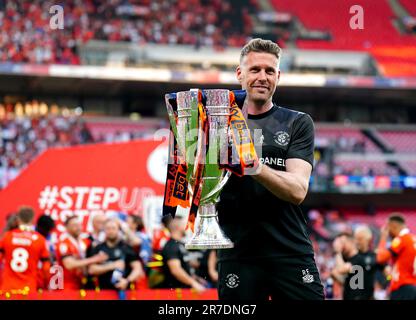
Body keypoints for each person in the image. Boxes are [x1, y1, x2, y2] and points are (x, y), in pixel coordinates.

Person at [216, 38, 324, 300]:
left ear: (278, 76)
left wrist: (253, 165)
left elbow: (298, 190)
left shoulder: (297, 122)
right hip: (238, 255)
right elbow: (199, 189)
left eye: (269, 71)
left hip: (289, 251)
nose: (262, 77)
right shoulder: (216, 124)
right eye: (255, 70)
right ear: (240, 74)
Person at [0, 206, 50, 293]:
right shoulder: (40, 239)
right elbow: (46, 268)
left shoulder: (7, 236)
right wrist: (43, 283)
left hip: (8, 288)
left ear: (18, 219)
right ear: (33, 220)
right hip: (29, 289)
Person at [88, 219, 144, 291]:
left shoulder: (126, 247)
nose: (111, 231)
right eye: (108, 228)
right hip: (103, 292)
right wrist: (112, 266)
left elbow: (137, 268)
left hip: (125, 291)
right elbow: (91, 269)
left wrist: (127, 281)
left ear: (118, 230)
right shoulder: (98, 248)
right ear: (104, 231)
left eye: (113, 228)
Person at [56, 216, 108, 290]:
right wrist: (94, 259)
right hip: (67, 284)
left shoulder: (85, 241)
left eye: (79, 225)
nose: (78, 227)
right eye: (74, 225)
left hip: (84, 284)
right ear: (66, 227)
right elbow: (69, 264)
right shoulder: (63, 243)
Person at [160, 217, 205, 293]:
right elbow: (176, 270)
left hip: (185, 290)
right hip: (175, 292)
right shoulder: (171, 246)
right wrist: (193, 283)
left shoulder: (180, 245)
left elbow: (184, 266)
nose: (187, 227)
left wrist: (196, 279)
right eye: (185, 224)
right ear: (177, 227)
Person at [331, 228, 378, 300]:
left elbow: (341, 269)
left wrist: (338, 252)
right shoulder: (347, 259)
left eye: (343, 242)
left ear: (350, 242)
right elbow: (343, 279)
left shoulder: (359, 258)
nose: (341, 245)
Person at [376, 213, 416, 300]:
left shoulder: (401, 239)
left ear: (394, 226)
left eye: (388, 228)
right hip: (412, 286)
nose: (387, 231)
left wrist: (383, 238)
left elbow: (380, 258)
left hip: (402, 287)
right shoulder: (413, 239)